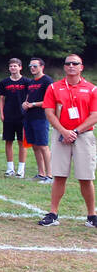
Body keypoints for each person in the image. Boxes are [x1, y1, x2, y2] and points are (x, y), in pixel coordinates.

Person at [37, 54, 97, 227]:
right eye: (68, 63)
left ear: (81, 67)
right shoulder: (54, 88)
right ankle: (53, 213)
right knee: (59, 175)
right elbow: (49, 112)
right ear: (64, 67)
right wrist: (64, 131)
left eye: (75, 63)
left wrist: (76, 131)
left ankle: (92, 215)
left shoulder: (92, 89)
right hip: (60, 134)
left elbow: (95, 115)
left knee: (86, 177)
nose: (71, 66)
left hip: (83, 135)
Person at [0, 58, 30, 177]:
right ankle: (10, 168)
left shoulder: (26, 81)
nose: (13, 68)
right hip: (9, 116)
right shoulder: (4, 82)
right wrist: (2, 113)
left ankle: (21, 169)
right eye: (11, 66)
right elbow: (1, 99)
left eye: (15, 66)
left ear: (20, 67)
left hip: (22, 116)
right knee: (8, 141)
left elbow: (29, 96)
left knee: (22, 142)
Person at [23, 59, 54, 182]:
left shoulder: (47, 80)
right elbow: (28, 97)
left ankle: (50, 175)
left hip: (41, 117)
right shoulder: (31, 82)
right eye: (30, 66)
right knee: (35, 146)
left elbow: (50, 100)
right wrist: (25, 103)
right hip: (29, 117)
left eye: (35, 66)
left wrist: (33, 104)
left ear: (42, 66)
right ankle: (41, 173)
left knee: (43, 146)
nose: (32, 68)